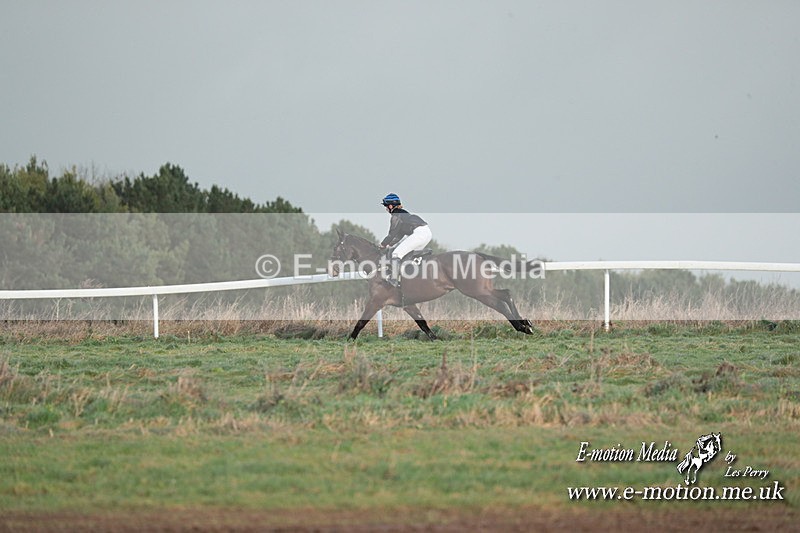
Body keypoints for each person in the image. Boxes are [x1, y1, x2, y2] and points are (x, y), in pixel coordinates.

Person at [379, 193, 432, 287]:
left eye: (386, 206)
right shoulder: (404, 214)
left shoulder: (396, 215)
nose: (386, 209)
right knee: (406, 254)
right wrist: (390, 245)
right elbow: (399, 234)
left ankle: (394, 280)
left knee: (396, 254)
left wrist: (383, 244)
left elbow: (392, 234)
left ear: (391, 206)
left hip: (419, 234)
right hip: (426, 233)